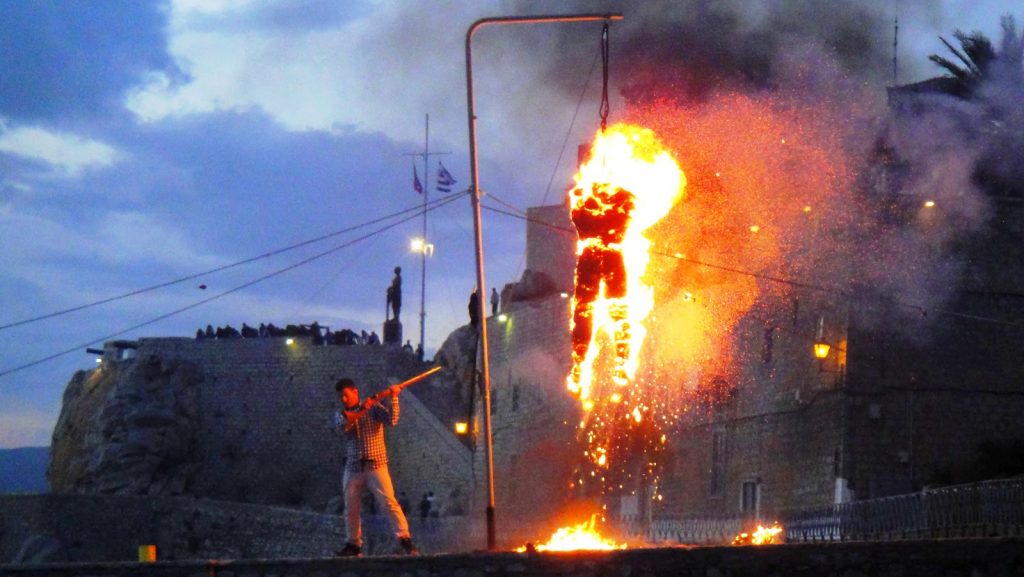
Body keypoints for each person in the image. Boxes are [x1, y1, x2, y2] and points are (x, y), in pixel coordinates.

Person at [333, 377, 418, 557]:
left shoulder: (374, 408)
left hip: (376, 465)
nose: (344, 399)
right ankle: (353, 544)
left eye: (346, 395)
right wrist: (365, 407)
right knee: (351, 507)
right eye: (341, 396)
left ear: (355, 392)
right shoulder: (341, 414)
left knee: (389, 503)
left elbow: (392, 420)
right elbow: (346, 425)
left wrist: (394, 397)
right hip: (354, 468)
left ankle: (405, 539)